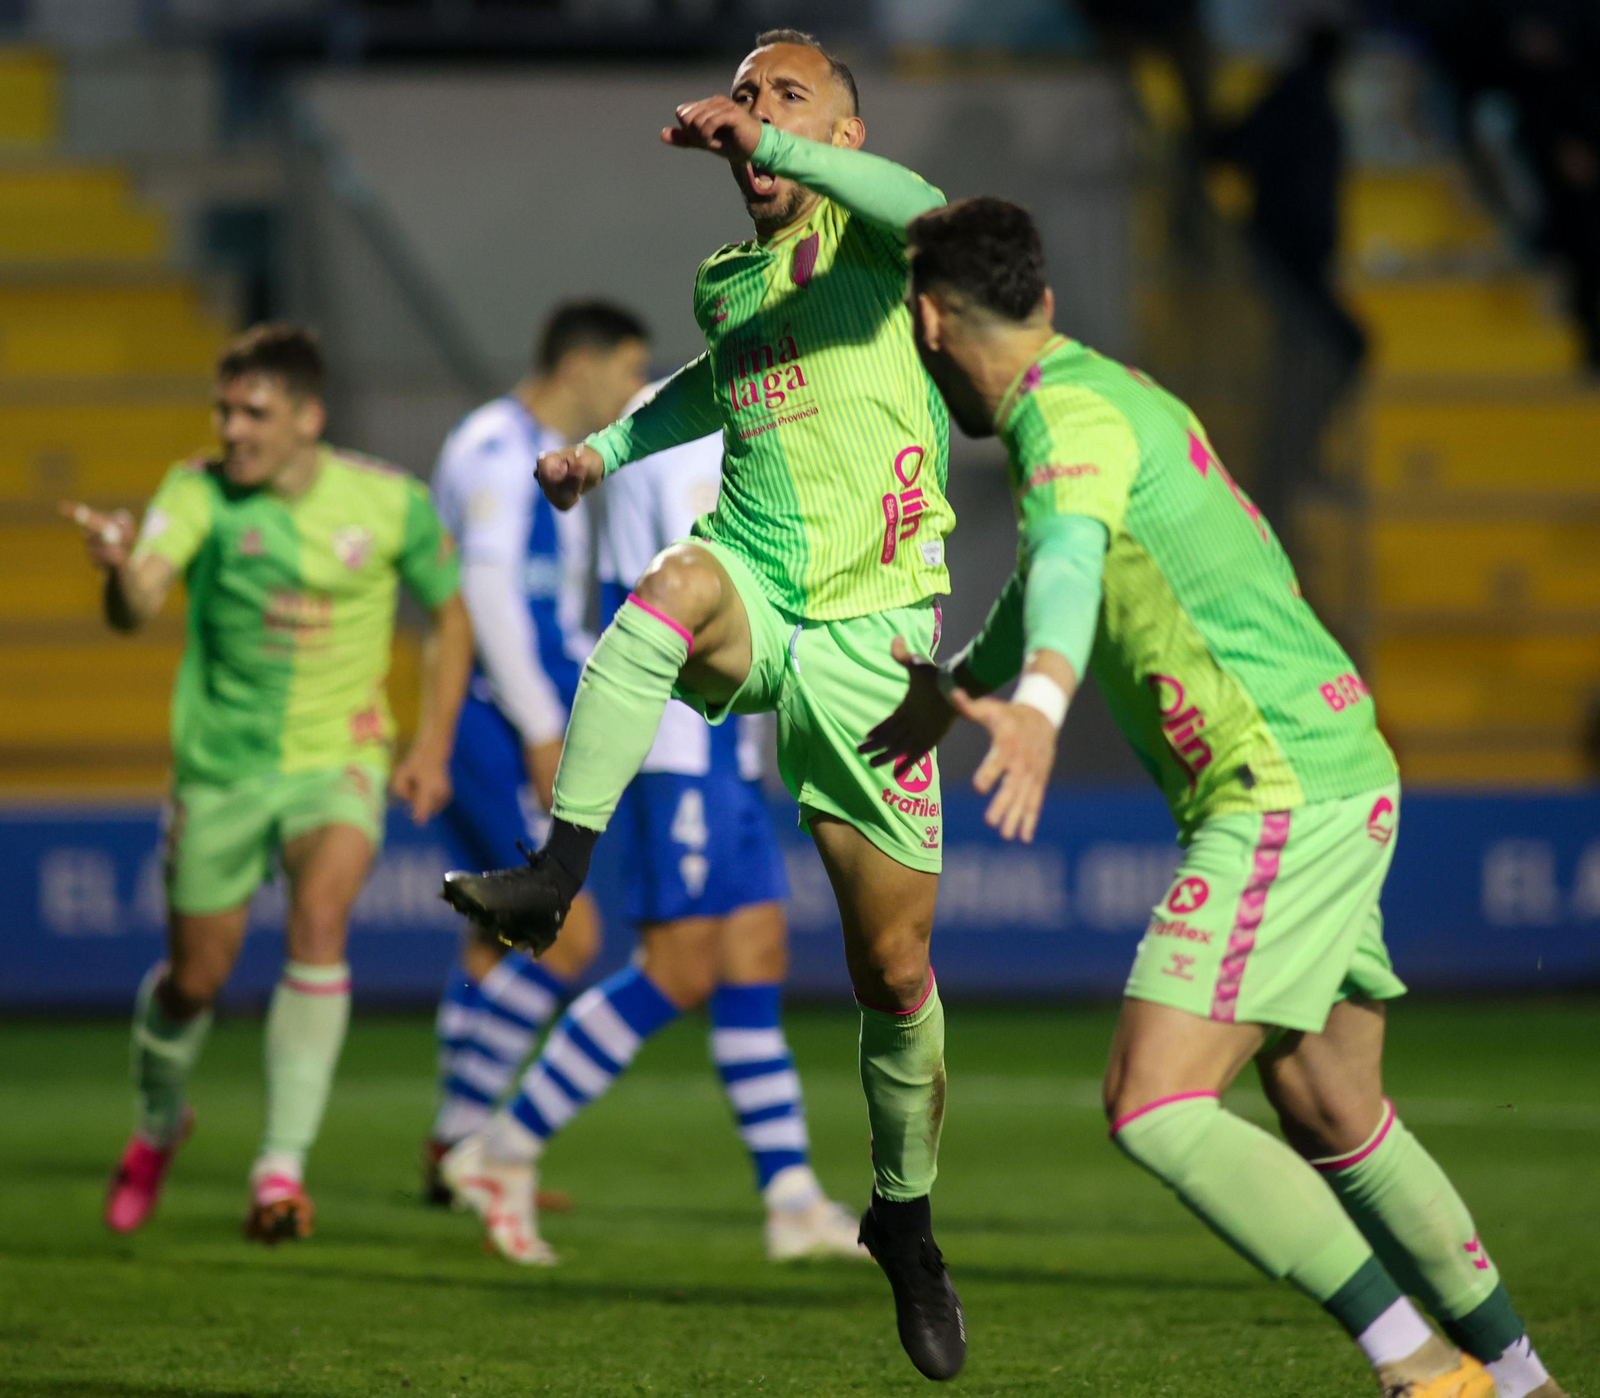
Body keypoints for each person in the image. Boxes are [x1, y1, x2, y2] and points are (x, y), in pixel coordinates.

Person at [862, 196, 1566, 1398]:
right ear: (1039, 299)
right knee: (1335, 1107)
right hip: (1337, 765)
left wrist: (1037, 701)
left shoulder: (1062, 423)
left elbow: (1072, 564)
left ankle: (1420, 1371)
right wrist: (966, 685)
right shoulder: (1104, 387)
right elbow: (1057, 572)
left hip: (1279, 786)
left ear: (928, 323)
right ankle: (1520, 1380)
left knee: (1155, 1101)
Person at [438, 29, 967, 1381]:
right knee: (671, 587)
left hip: (877, 643)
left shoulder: (876, 237)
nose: (755, 115)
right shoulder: (730, 281)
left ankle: (901, 1211)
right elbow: (723, 387)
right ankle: (555, 873)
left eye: (788, 97)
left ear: (839, 138)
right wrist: (600, 452)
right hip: (759, 589)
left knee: (893, 974)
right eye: (742, 97)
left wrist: (768, 140)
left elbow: (940, 212)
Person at [64, 323, 472, 1244]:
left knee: (320, 921)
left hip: (342, 759)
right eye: (223, 409)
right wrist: (120, 570)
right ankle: (160, 1121)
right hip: (221, 774)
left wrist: (432, 745)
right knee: (193, 984)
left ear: (306, 417)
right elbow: (138, 605)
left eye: (253, 412)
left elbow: (451, 615)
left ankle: (279, 1172)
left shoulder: (388, 502)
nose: (232, 430)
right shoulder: (197, 491)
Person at [443, 386, 865, 1265]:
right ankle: (500, 1151)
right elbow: (693, 584)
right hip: (679, 738)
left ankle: (789, 1199)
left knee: (756, 952)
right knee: (678, 967)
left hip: (730, 740)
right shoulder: (709, 423)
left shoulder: (746, 405)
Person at [422, 301, 650, 1208]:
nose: (633, 391)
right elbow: (486, 596)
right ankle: (469, 1154)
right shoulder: (496, 450)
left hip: (510, 715)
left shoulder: (527, 449)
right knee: (565, 934)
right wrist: (539, 729)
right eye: (627, 370)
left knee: (494, 944)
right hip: (497, 717)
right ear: (580, 363)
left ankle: (453, 1145)